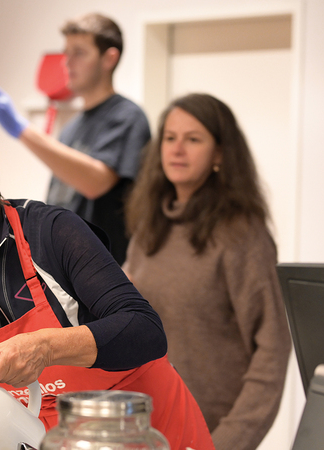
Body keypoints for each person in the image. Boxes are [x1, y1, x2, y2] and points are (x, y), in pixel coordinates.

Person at [0, 112, 215, 450]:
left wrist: (46, 347)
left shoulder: (52, 233)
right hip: (61, 439)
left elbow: (144, 330)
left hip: (144, 430)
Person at [123, 93, 292, 450]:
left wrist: (228, 442)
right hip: (147, 429)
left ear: (219, 154)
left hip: (209, 433)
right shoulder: (149, 226)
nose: (177, 149)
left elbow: (272, 351)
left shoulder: (242, 234)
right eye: (170, 138)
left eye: (193, 139)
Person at [0, 12, 150, 264]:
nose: (67, 62)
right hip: (66, 265)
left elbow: (95, 182)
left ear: (109, 58)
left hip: (105, 267)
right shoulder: (72, 127)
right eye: (66, 53)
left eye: (79, 52)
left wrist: (21, 128)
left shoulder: (128, 117)